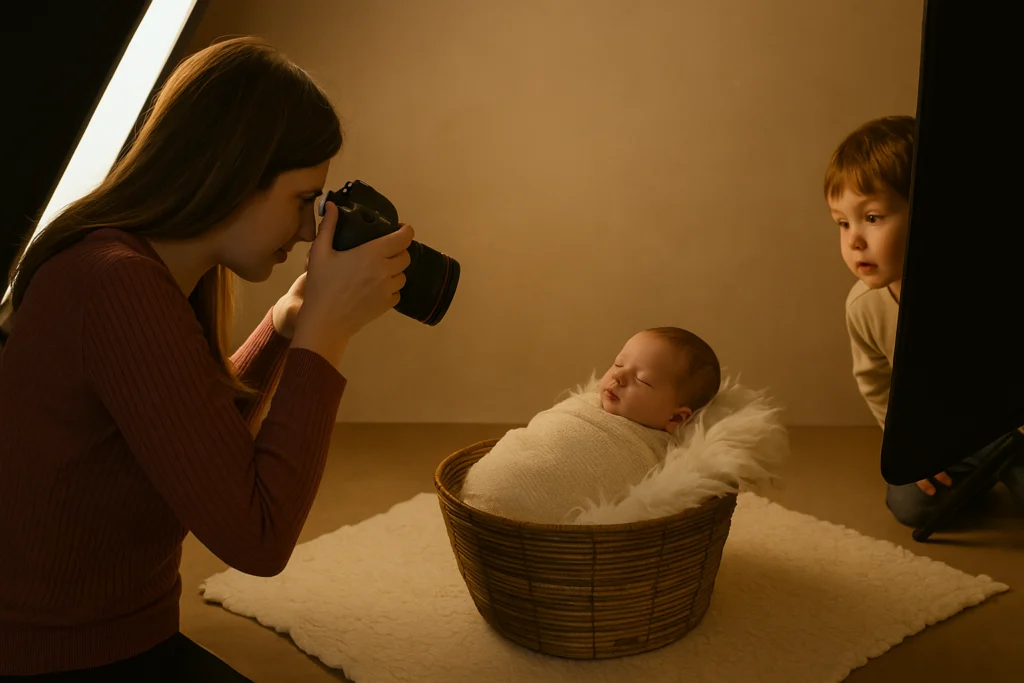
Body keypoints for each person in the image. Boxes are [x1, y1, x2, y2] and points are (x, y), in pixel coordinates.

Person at [0, 37, 413, 678]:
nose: (310, 229)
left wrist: (285, 324)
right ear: (232, 174)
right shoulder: (116, 284)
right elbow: (257, 537)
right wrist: (326, 337)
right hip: (60, 658)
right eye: (304, 200)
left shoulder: (141, 266)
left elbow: (200, 445)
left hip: (111, 636)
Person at [824, 115, 1024, 527]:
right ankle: (982, 478)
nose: (854, 239)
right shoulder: (864, 306)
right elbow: (877, 383)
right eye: (843, 223)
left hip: (1015, 427)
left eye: (873, 218)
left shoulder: (989, 287)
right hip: (952, 437)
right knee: (911, 504)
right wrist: (909, 449)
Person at [459, 327, 721, 523]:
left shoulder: (656, 451)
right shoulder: (585, 405)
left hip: (528, 516)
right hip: (493, 482)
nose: (618, 376)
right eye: (618, 364)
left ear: (675, 418)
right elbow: (543, 435)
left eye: (642, 380)